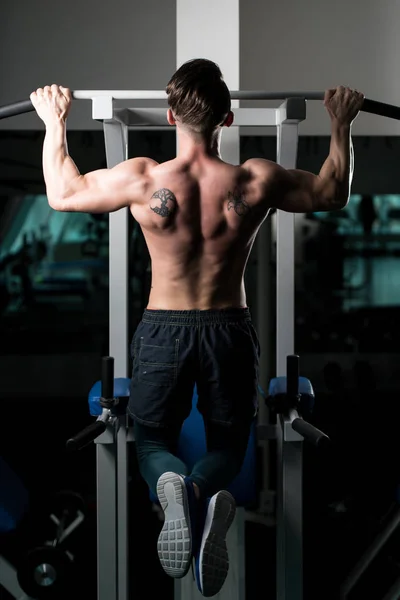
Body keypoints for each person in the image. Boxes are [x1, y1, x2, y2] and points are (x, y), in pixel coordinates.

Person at [30, 60, 363, 597]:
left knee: (152, 442)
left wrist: (55, 122)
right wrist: (340, 123)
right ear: (227, 120)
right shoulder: (255, 180)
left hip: (163, 328)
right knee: (230, 447)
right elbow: (332, 193)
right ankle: (203, 487)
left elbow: (63, 194)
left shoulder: (144, 179)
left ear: (169, 117)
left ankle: (172, 486)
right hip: (229, 328)